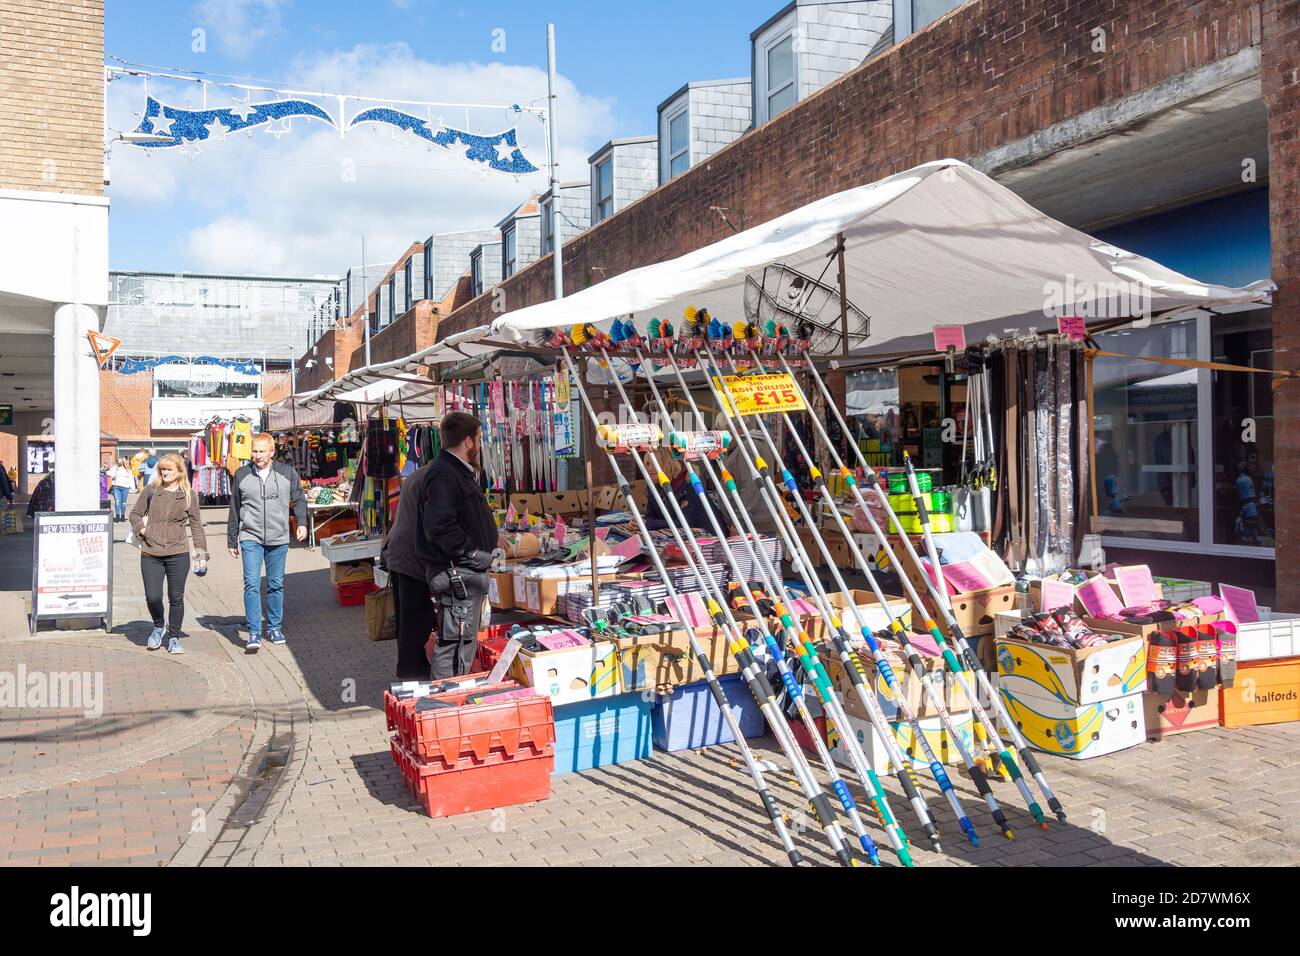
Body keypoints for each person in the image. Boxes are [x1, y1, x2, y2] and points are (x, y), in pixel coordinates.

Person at [381, 411, 497, 680]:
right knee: (448, 638)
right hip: (434, 566)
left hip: (429, 564)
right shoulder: (444, 474)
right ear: (468, 441)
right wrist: (473, 553)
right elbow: (439, 526)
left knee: (451, 636)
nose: (480, 445)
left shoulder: (449, 472)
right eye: (478, 439)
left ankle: (423, 681)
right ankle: (436, 694)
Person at [228, 432, 306, 653]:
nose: (258, 455)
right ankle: (254, 631)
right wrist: (231, 539)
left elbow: (299, 498)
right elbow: (234, 508)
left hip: (278, 537)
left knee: (275, 584)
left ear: (272, 452)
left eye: (262, 451)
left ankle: (274, 627)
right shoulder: (241, 474)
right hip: (250, 537)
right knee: (251, 583)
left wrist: (301, 522)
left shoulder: (287, 472)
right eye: (255, 451)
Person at [130, 453, 208, 654]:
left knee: (176, 597)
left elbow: (196, 526)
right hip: (151, 552)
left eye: (169, 469)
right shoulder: (151, 490)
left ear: (179, 472)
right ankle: (158, 625)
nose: (164, 472)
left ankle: (173, 636)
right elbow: (135, 514)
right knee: (153, 597)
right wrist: (143, 530)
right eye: (162, 469)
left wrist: (200, 556)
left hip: (178, 552)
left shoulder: (188, 494)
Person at [108, 457, 134, 521]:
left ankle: (122, 516)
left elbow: (131, 478)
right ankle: (117, 516)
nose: (119, 463)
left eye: (121, 462)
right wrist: (113, 474)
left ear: (123, 462)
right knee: (117, 502)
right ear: (117, 462)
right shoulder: (115, 468)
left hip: (125, 488)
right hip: (116, 487)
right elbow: (108, 473)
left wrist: (132, 487)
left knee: (123, 503)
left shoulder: (127, 469)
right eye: (118, 461)